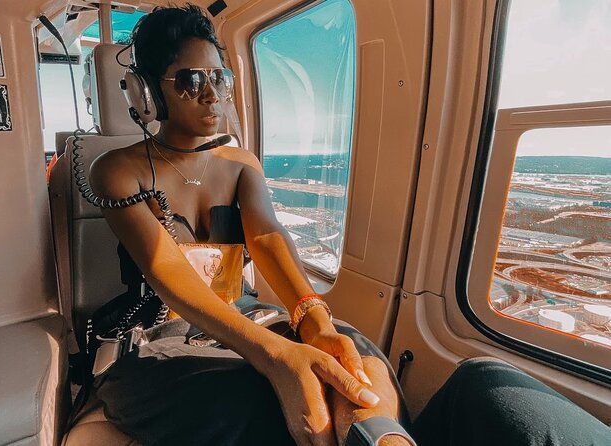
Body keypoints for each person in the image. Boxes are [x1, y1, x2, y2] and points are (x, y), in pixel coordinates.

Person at [87, 5, 611, 446]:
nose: (210, 94)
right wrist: (275, 355)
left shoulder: (240, 164)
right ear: (148, 93)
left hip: (245, 315)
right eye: (190, 80)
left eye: (218, 77)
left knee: (355, 355)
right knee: (257, 394)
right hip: (159, 334)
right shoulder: (116, 170)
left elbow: (267, 238)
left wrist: (314, 320)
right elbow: (166, 273)